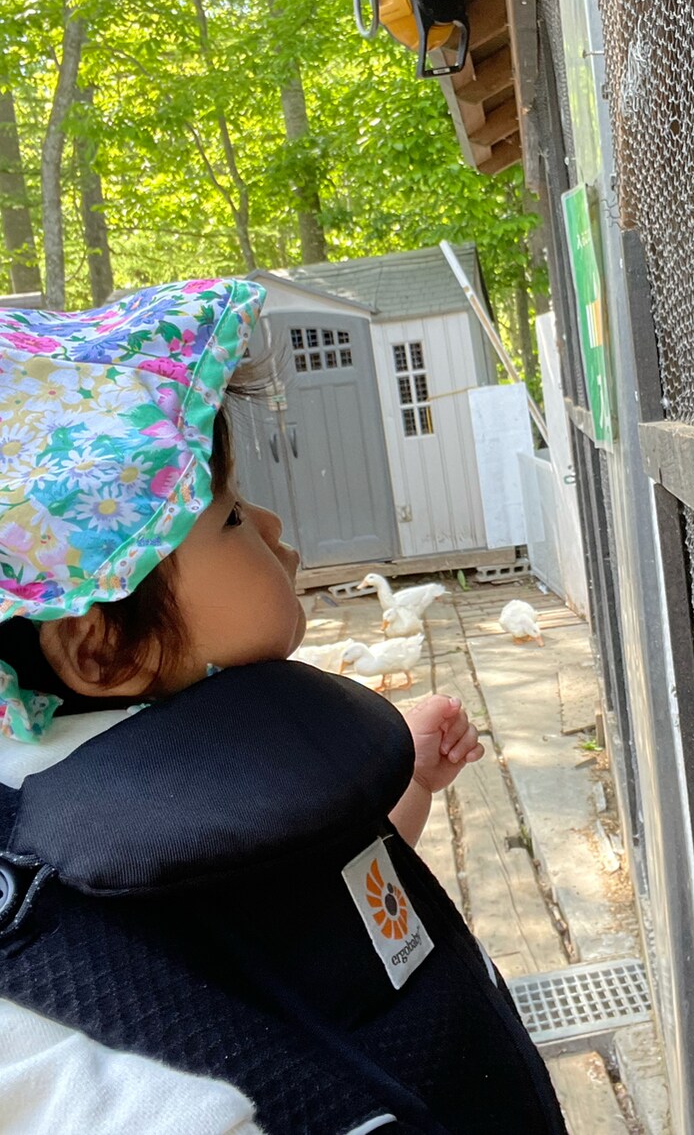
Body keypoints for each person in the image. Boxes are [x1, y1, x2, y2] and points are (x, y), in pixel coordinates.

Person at [0, 278, 566, 1135]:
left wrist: (402, 787)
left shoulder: (207, 754)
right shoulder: (51, 925)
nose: (267, 521)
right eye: (227, 515)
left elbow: (302, 924)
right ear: (104, 649)